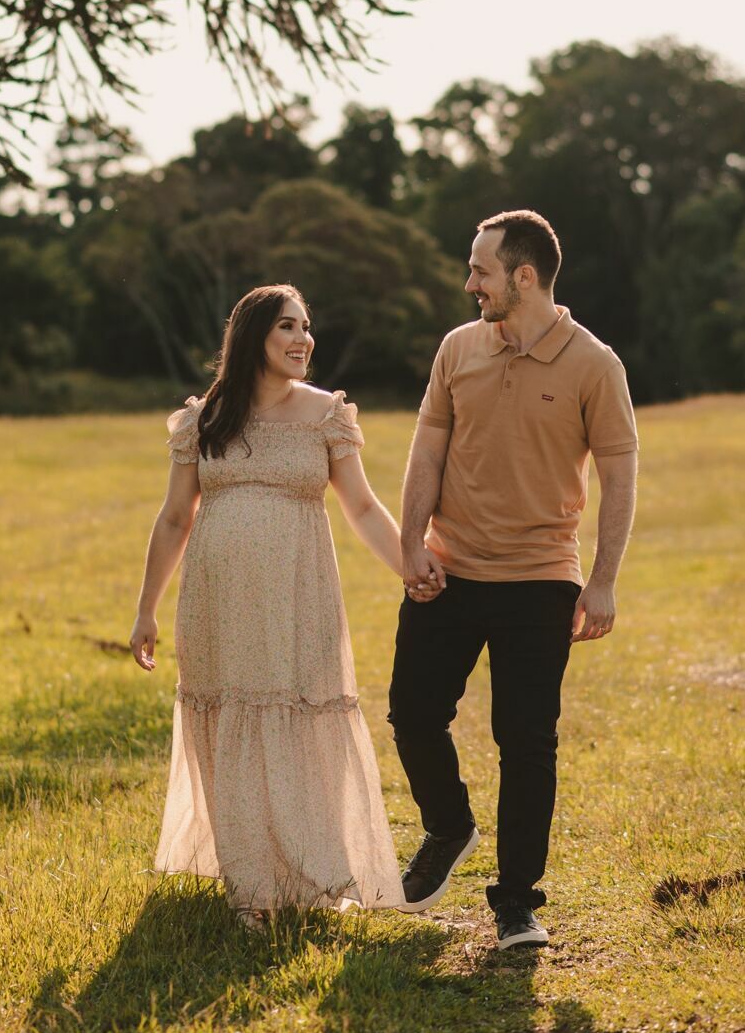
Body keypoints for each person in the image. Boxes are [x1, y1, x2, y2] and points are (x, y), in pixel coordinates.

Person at [130, 283, 427, 926]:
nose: (303, 340)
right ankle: (253, 886)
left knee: (302, 718)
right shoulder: (204, 419)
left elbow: (363, 507)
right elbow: (176, 516)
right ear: (253, 341)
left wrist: (413, 568)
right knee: (234, 720)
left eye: (305, 327)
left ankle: (317, 872)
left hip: (300, 592)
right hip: (219, 597)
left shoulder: (326, 414)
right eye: (286, 328)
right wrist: (146, 608)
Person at [389, 209, 639, 949]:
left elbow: (621, 479)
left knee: (526, 740)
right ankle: (448, 828)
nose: (470, 284)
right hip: (452, 568)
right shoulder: (459, 348)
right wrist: (412, 545)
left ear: (522, 277)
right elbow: (427, 447)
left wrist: (603, 581)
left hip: (540, 578)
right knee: (411, 713)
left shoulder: (596, 364)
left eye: (481, 271)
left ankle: (516, 903)